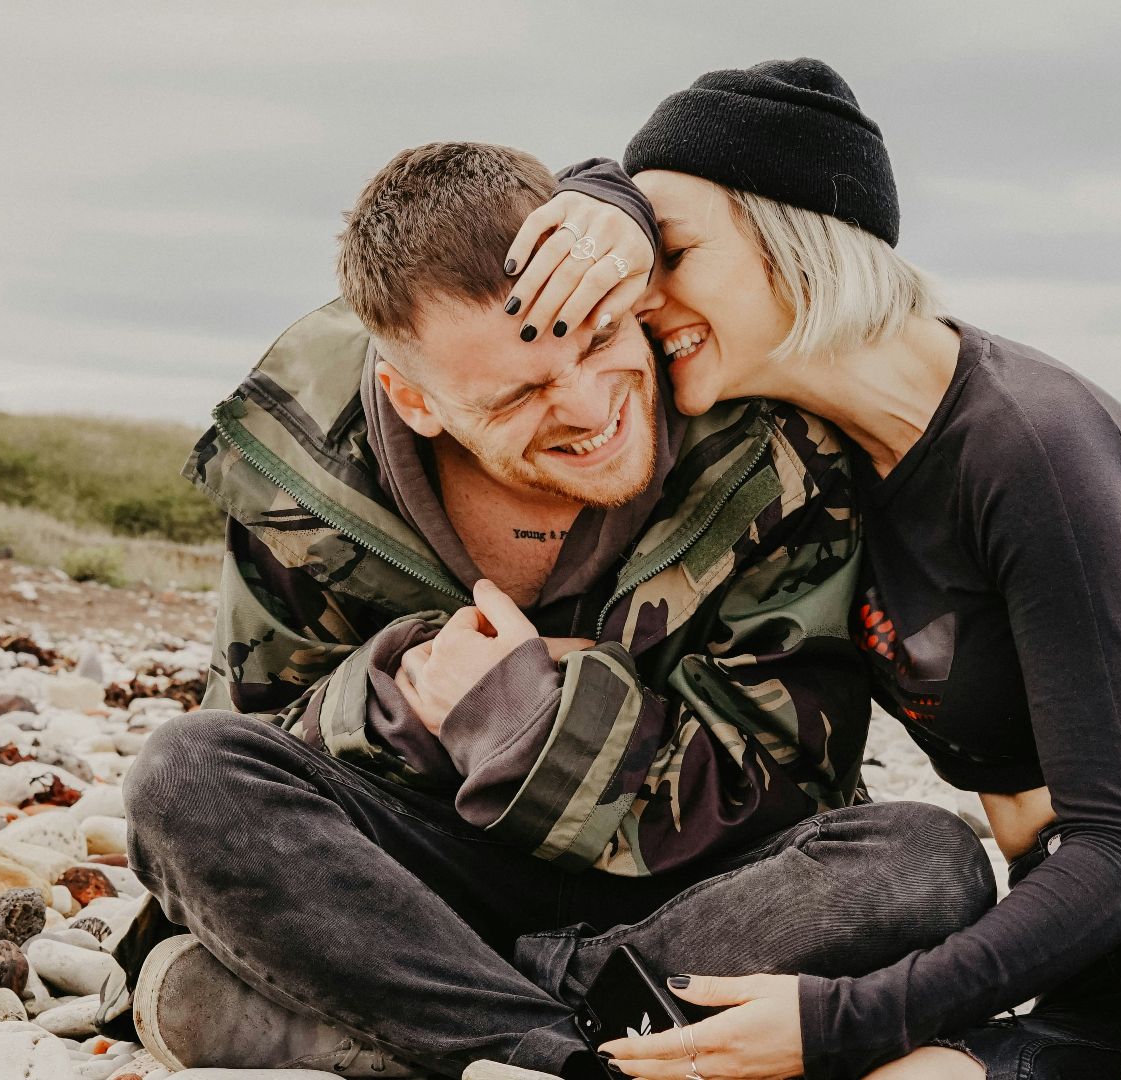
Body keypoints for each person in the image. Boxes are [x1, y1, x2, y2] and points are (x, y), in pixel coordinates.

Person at [506, 59, 1121, 1080]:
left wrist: (839, 1019)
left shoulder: (1029, 441)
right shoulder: (809, 465)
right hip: (1091, 964)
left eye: (673, 252)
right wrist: (600, 198)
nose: (641, 298)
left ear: (796, 236)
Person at [118, 141, 995, 1078]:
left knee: (929, 864)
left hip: (689, 890)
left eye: (601, 339)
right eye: (523, 392)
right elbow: (262, 753)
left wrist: (531, 717)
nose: (589, 406)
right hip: (423, 877)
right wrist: (394, 696)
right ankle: (582, 1053)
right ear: (413, 400)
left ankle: (434, 1029)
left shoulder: (761, 449)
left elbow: (783, 778)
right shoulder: (303, 474)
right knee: (183, 774)